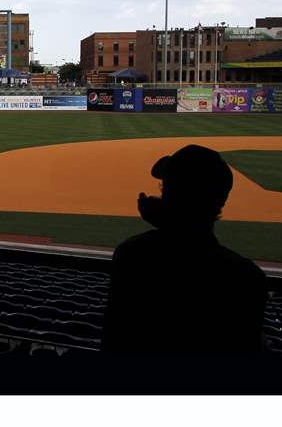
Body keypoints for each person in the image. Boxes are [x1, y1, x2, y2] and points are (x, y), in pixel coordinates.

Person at [101, 144, 266, 354]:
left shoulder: (132, 254)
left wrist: (167, 223)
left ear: (166, 195)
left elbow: (115, 342)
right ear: (221, 201)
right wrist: (170, 222)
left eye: (165, 186)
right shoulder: (246, 277)